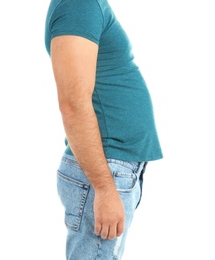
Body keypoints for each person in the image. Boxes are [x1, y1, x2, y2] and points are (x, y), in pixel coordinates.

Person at [45, 0, 163, 259]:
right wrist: (104, 188)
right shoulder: (78, 5)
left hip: (112, 168)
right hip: (104, 170)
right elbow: (73, 104)